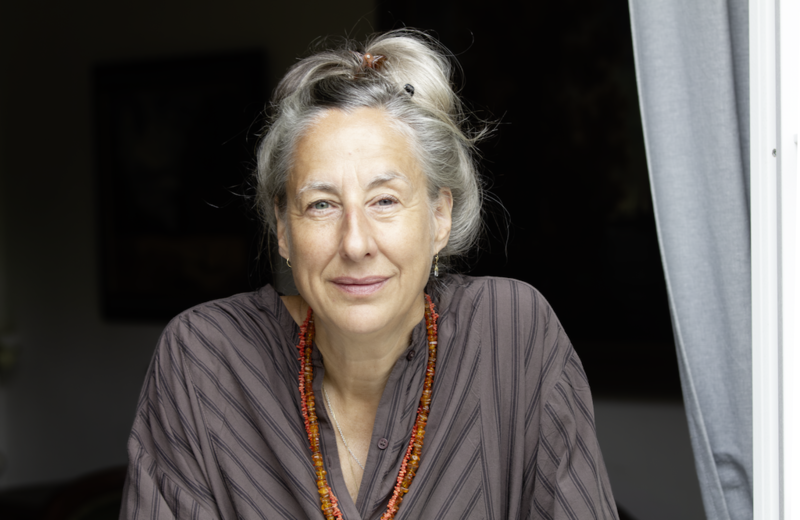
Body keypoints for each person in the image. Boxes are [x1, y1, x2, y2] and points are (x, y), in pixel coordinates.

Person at [121, 30, 619, 520]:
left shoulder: (512, 334)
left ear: (439, 217)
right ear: (283, 230)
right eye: (322, 204)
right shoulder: (204, 359)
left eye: (384, 200)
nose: (355, 243)